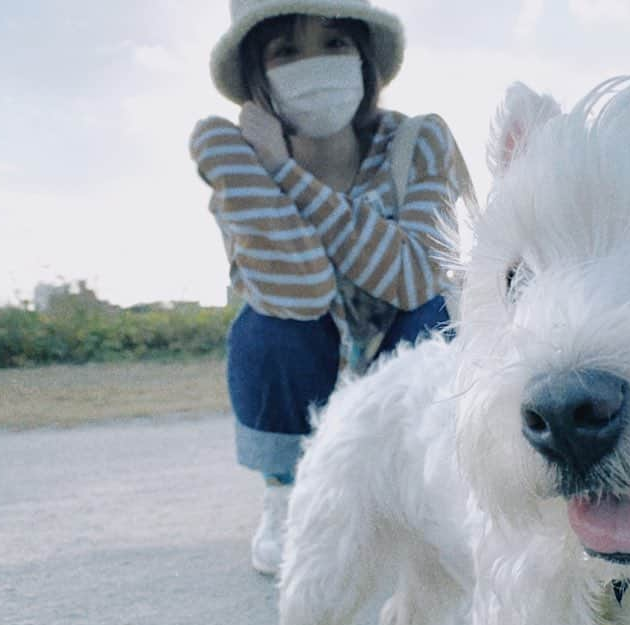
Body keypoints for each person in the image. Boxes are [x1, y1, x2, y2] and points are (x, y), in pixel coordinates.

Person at [189, 0, 473, 575]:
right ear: (256, 77)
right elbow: (296, 291)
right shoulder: (239, 168)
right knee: (264, 327)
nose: (314, 65)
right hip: (311, 356)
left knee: (434, 312)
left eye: (334, 43)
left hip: (401, 350)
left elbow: (415, 275)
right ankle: (288, 496)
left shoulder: (415, 143)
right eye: (287, 51)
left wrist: (287, 172)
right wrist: (244, 161)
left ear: (364, 58)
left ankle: (428, 489)